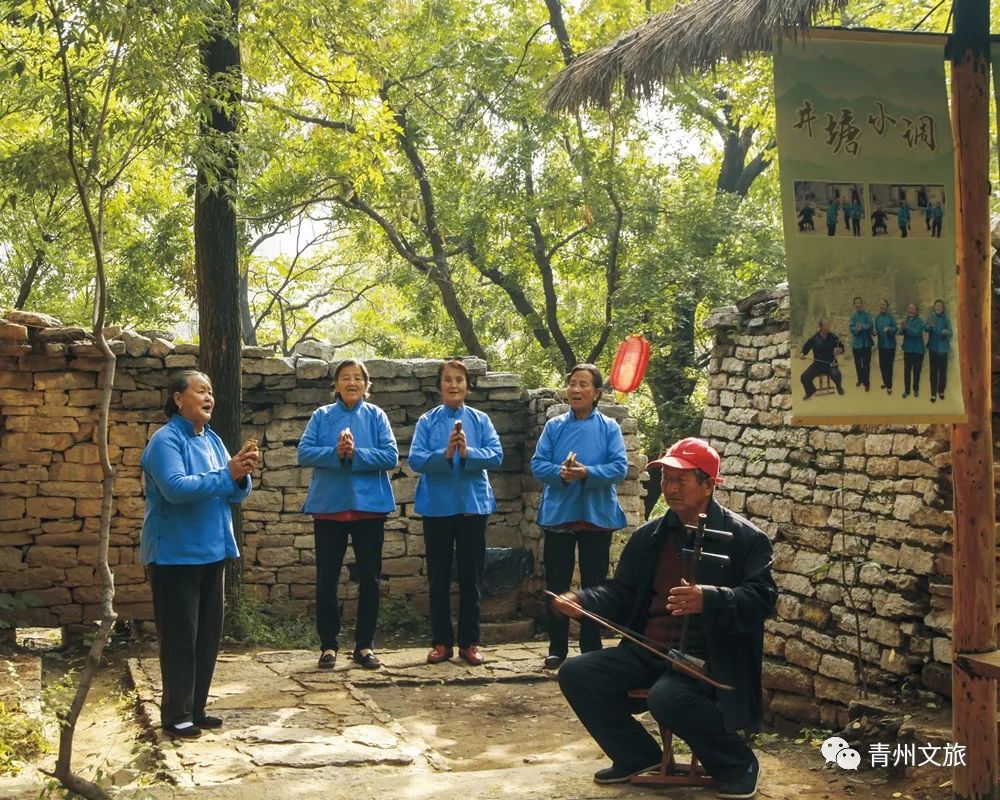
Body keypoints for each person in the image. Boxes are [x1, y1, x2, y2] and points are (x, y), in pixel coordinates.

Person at [554, 437, 777, 799]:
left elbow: (763, 598)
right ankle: (636, 756)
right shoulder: (650, 537)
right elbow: (622, 592)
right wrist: (583, 599)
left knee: (668, 697)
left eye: (680, 480)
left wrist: (710, 598)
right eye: (665, 479)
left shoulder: (745, 539)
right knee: (577, 673)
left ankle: (737, 763)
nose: (669, 489)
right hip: (650, 649)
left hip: (709, 658)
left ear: (708, 485)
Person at [140, 370, 259, 739]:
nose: (209, 397)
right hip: (174, 554)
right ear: (178, 399)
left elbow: (233, 493)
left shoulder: (211, 439)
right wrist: (227, 474)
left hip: (212, 550)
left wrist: (240, 475)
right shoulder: (165, 441)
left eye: (211, 391)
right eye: (200, 390)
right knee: (180, 637)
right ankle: (175, 715)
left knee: (207, 636)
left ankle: (196, 708)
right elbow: (175, 489)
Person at [298, 359, 398, 671]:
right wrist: (335, 452)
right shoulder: (321, 416)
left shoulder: (377, 415)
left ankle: (364, 646)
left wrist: (356, 454)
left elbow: (391, 456)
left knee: (369, 579)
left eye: (358, 378)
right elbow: (303, 453)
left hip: (369, 509)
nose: (352, 382)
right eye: (345, 377)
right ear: (336, 385)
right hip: (329, 508)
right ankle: (328, 645)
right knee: (326, 579)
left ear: (367, 386)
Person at [531, 364, 628, 670]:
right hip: (560, 513)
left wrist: (587, 473)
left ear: (597, 393)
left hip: (596, 515)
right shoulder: (554, 426)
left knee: (594, 583)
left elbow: (619, 468)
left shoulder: (609, 428)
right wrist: (560, 472)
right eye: (572, 384)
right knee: (557, 582)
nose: (575, 390)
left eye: (583, 385)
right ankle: (557, 647)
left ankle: (591, 644)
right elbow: (538, 464)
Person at [410, 359, 503, 666]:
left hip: (472, 506)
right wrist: (446, 453)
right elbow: (416, 460)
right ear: (439, 387)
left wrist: (468, 452)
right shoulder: (427, 421)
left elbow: (496, 455)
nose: (453, 385)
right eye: (448, 380)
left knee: (471, 576)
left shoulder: (480, 420)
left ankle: (469, 643)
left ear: (467, 386)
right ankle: (441, 642)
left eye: (459, 380)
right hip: (437, 506)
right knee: (438, 577)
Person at [799, 317, 845, 399]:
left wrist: (840, 350)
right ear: (820, 327)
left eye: (828, 325)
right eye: (825, 325)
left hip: (831, 363)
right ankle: (810, 391)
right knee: (804, 377)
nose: (827, 327)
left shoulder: (833, 337)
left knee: (837, 374)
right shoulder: (813, 338)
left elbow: (842, 348)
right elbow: (805, 349)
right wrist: (802, 354)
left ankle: (839, 387)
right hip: (817, 364)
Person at [925, 299, 952, 402]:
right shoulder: (931, 317)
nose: (938, 307)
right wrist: (929, 326)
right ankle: (933, 393)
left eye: (940, 305)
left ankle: (941, 390)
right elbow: (925, 328)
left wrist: (946, 332)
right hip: (933, 349)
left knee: (943, 372)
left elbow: (951, 333)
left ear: (943, 308)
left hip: (943, 350)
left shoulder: (946, 319)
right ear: (934, 307)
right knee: (933, 372)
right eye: (937, 305)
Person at [900, 303, 926, 399]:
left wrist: (907, 328)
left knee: (916, 372)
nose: (910, 310)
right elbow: (900, 332)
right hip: (907, 350)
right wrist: (902, 328)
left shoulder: (920, 321)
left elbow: (917, 334)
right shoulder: (905, 320)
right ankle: (907, 391)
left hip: (918, 351)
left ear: (916, 311)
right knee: (906, 372)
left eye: (913, 309)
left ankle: (915, 389)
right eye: (909, 308)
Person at [848, 296, 874, 392]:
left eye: (860, 303)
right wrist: (856, 329)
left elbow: (870, 324)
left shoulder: (867, 315)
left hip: (866, 343)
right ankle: (860, 379)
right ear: (854, 305)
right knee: (858, 363)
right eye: (856, 303)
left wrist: (862, 326)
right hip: (856, 344)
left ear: (862, 304)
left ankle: (866, 383)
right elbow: (851, 327)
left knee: (866, 364)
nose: (858, 305)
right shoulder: (853, 316)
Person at [873, 299, 897, 394]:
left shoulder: (890, 318)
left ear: (887, 307)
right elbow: (875, 331)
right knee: (882, 365)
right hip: (881, 345)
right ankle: (885, 381)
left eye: (884, 305)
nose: (882, 307)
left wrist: (889, 329)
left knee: (889, 366)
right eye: (880, 305)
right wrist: (874, 333)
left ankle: (889, 386)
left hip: (890, 346)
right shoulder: (877, 318)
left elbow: (895, 329)